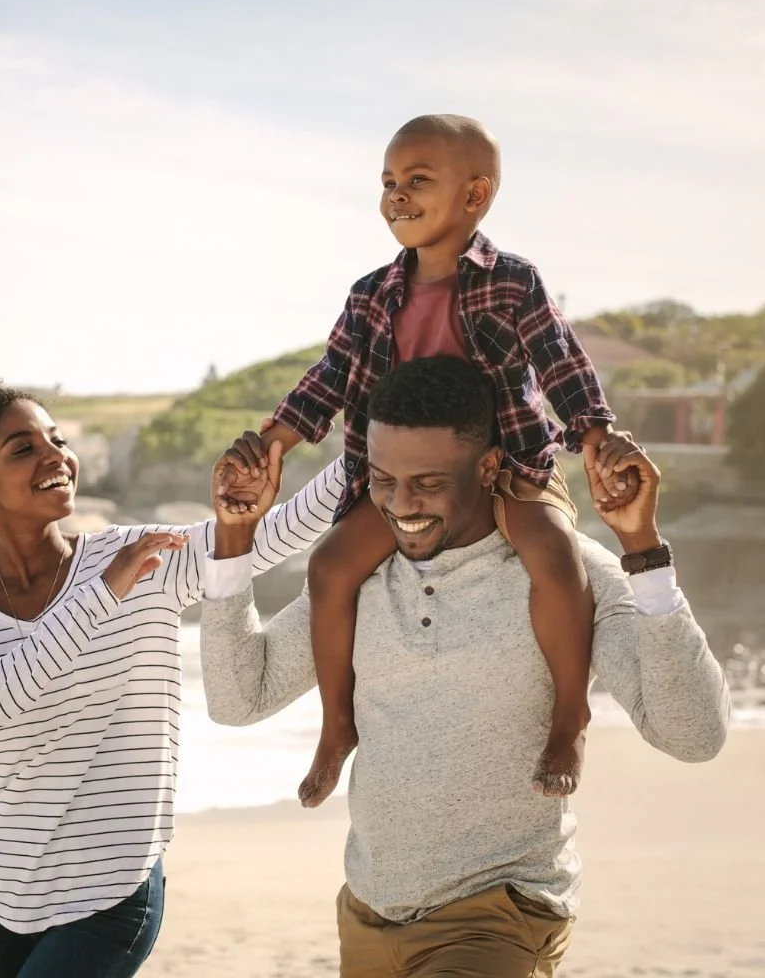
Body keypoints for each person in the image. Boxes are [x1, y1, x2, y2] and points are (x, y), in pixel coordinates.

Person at [202, 355, 730, 978]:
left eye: (426, 483)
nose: (401, 505)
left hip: (499, 913)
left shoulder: (569, 577)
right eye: (382, 480)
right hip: (369, 910)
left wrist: (643, 548)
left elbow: (695, 736)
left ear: (485, 467)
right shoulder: (360, 579)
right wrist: (234, 538)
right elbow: (240, 699)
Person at [0, 361, 344, 978]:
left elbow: (273, 534)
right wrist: (105, 593)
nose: (56, 457)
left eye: (57, 441)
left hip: (109, 891)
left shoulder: (140, 556)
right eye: (24, 449)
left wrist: (372, 447)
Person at [220, 113, 636, 808]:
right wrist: (278, 440)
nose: (396, 196)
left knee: (555, 556)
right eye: (387, 182)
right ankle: (335, 727)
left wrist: (594, 434)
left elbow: (560, 362)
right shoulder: (371, 293)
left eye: (417, 180)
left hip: (507, 467)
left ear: (475, 196)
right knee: (328, 567)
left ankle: (570, 719)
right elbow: (329, 376)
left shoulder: (511, 282)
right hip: (404, 482)